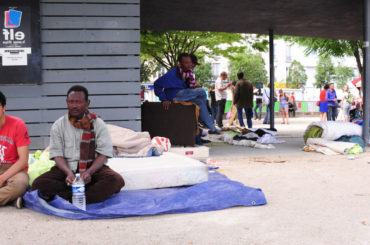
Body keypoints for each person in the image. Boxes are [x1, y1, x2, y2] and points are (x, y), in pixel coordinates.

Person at [32, 85, 124, 204]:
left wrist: (89, 172)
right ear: (67, 103)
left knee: (116, 180)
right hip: (66, 170)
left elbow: (103, 154)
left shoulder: (98, 124)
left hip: (93, 169)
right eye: (71, 102)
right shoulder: (58, 125)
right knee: (38, 184)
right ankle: (83, 196)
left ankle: (72, 197)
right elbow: (57, 155)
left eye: (79, 102)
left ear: (87, 103)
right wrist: (68, 173)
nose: (74, 105)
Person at [153, 53, 220, 134]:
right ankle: (202, 120)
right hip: (174, 95)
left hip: (183, 93)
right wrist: (164, 99)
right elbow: (157, 84)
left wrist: (194, 87)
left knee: (200, 102)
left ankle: (212, 128)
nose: (190, 65)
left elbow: (187, 87)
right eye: (186, 63)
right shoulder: (172, 73)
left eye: (190, 62)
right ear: (180, 64)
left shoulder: (189, 73)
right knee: (201, 92)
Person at [0, 91, 30, 209]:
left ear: (4, 108)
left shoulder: (18, 124)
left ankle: (11, 195)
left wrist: (2, 178)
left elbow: (23, 161)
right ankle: (11, 199)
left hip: (14, 169)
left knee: (20, 184)